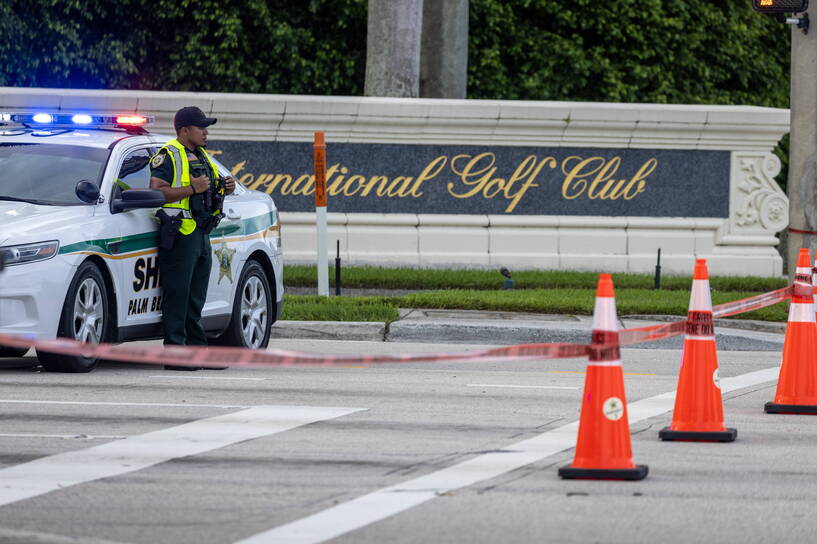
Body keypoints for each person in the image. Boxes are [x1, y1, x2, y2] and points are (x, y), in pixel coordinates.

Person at [149, 106, 236, 370]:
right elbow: (157, 192)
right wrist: (191, 188)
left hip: (200, 232)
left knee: (196, 297)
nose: (206, 132)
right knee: (178, 296)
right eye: (201, 127)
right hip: (179, 235)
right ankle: (176, 355)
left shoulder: (200, 155)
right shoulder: (168, 155)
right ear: (184, 130)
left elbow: (208, 189)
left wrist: (226, 186)